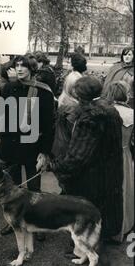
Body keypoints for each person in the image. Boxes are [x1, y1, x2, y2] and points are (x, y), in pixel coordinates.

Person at [47, 76, 123, 242]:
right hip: (109, 171)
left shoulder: (90, 117)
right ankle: (100, 238)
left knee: (85, 212)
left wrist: (54, 165)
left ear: (80, 96)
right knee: (104, 209)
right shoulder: (110, 110)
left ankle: (84, 249)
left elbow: (77, 157)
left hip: (91, 176)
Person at [0, 54, 55, 236]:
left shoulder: (43, 91)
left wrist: (45, 152)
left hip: (33, 146)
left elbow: (48, 125)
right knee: (11, 188)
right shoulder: (7, 88)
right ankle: (13, 221)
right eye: (17, 65)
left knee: (34, 189)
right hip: (11, 145)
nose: (20, 69)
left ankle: (38, 224)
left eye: (24, 66)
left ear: (32, 69)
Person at [103, 81, 134, 242]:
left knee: (109, 190)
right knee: (125, 189)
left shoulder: (106, 112)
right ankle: (125, 225)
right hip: (125, 154)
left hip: (108, 156)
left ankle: (109, 227)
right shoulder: (131, 113)